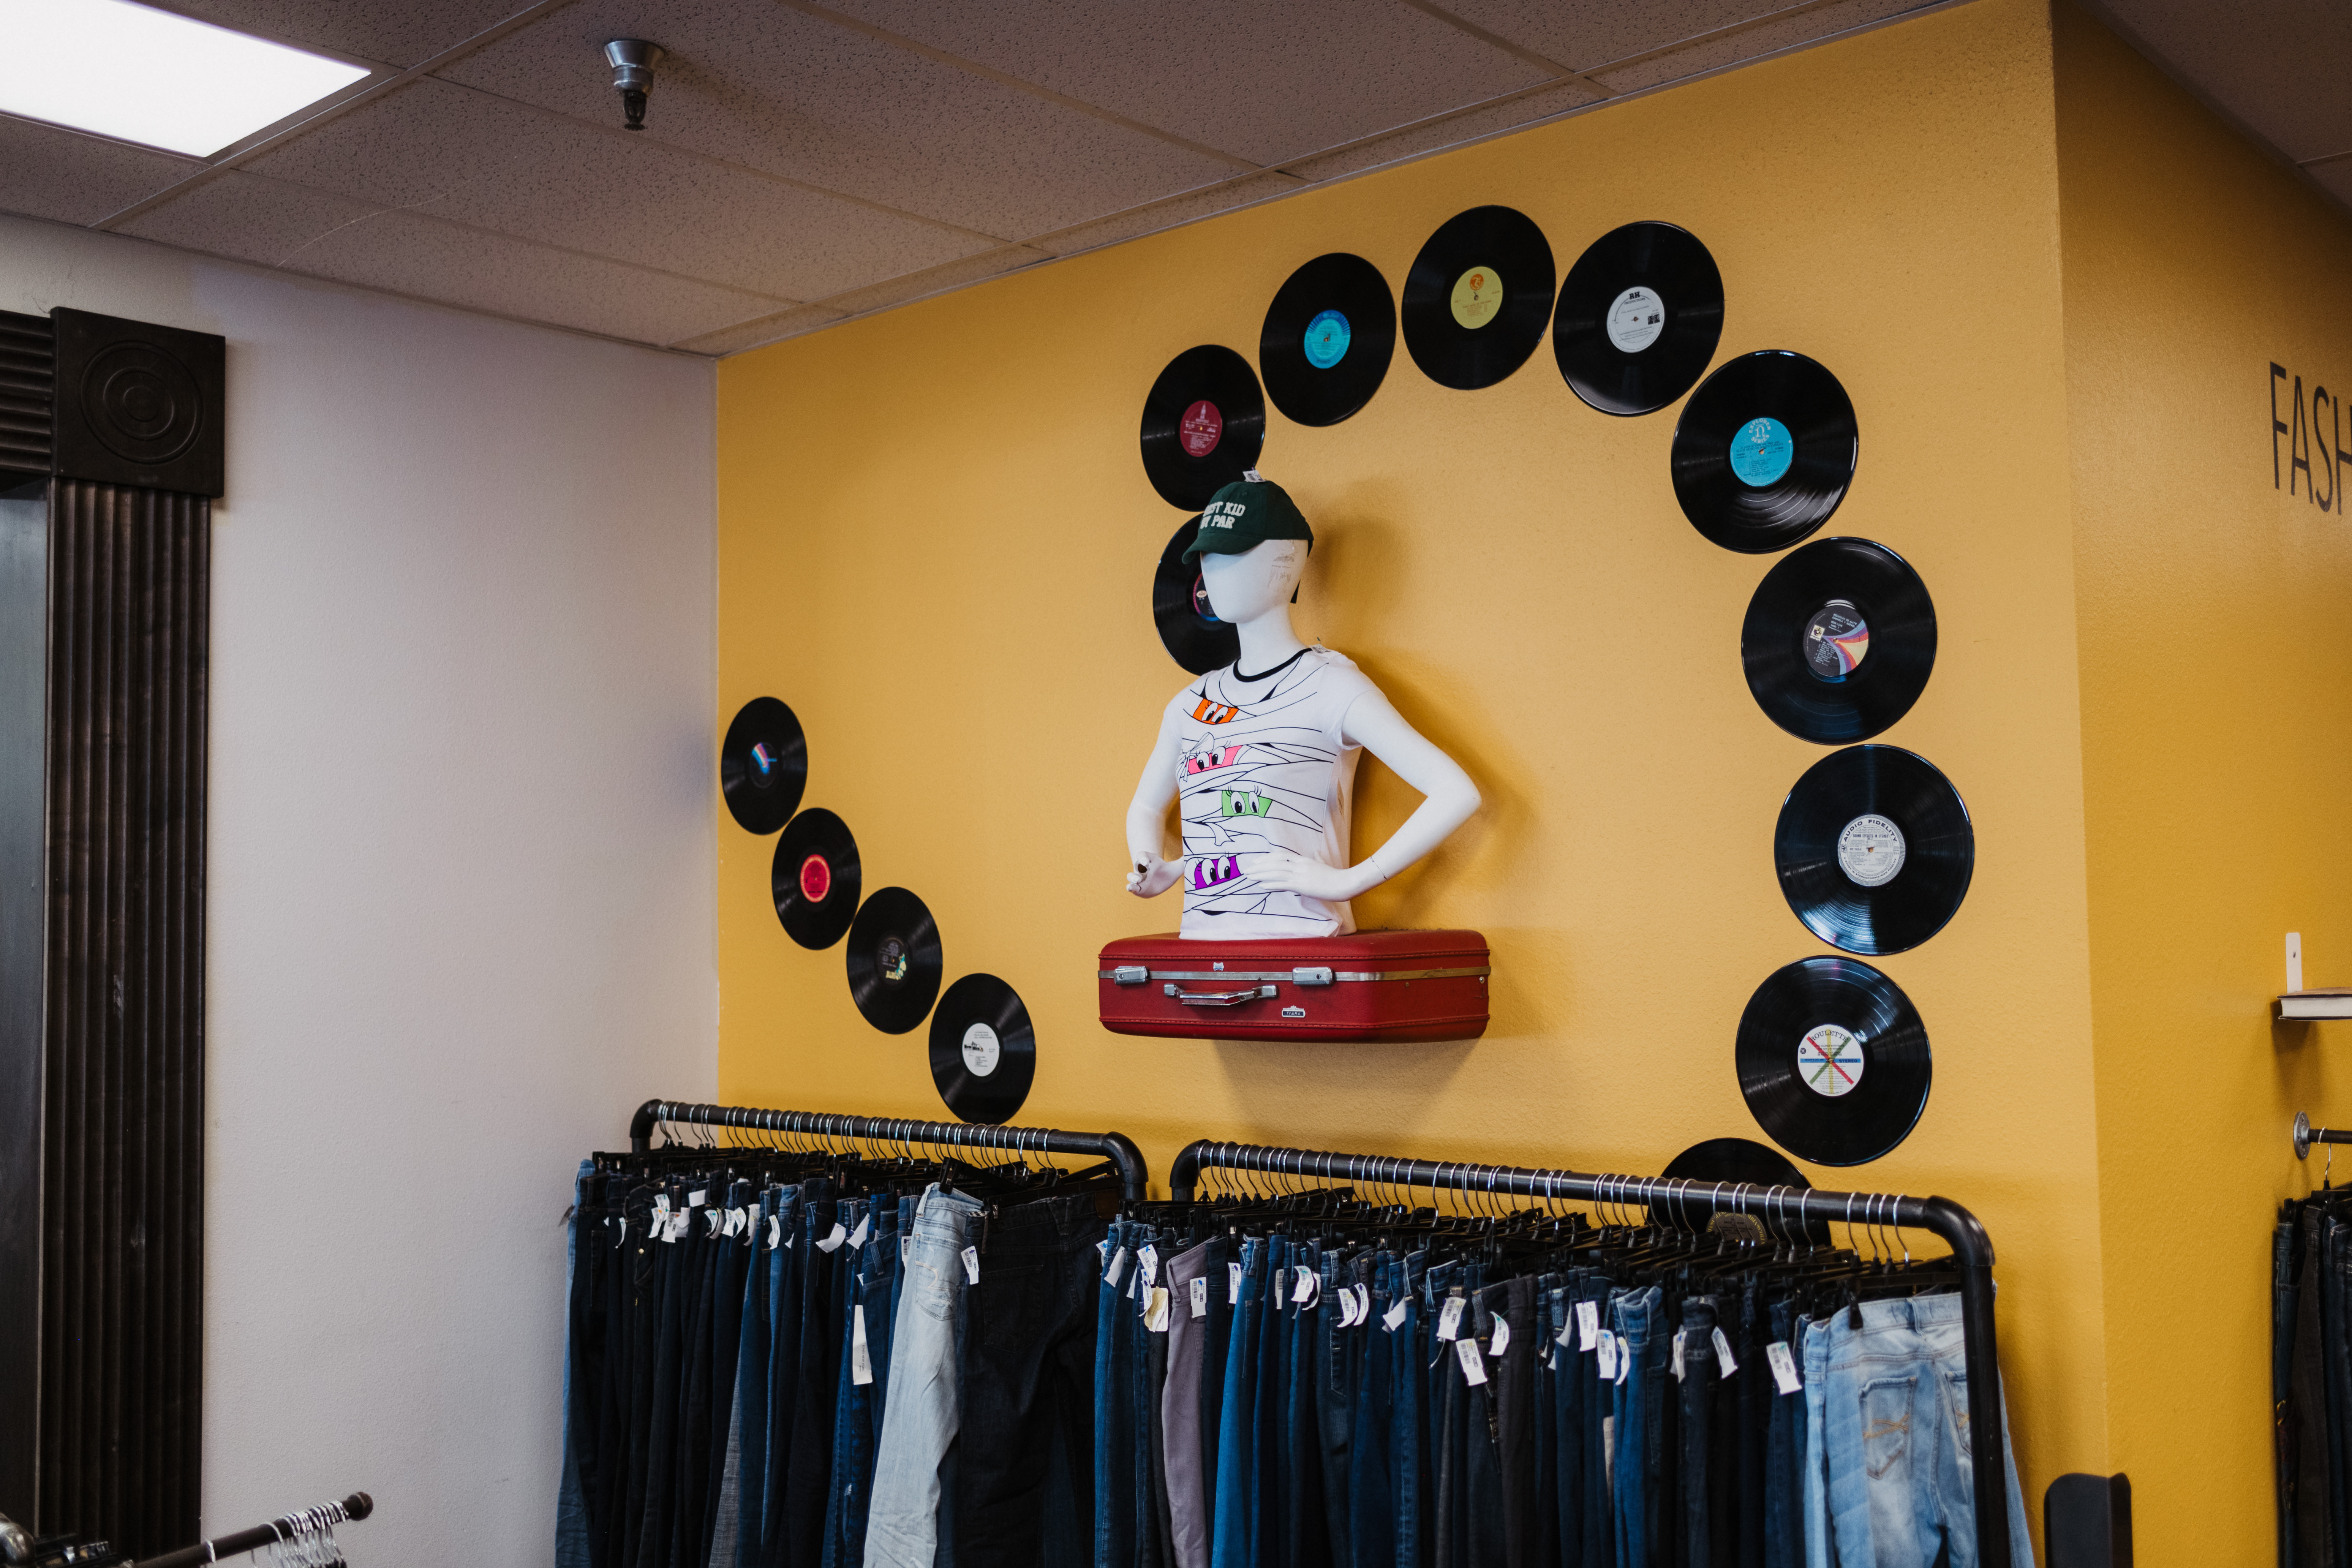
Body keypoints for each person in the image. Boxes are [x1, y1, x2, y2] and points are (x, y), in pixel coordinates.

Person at [1122, 475, 1480, 939]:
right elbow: (1147, 807)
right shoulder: (1189, 705)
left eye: (1233, 553)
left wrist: (1350, 882)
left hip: (1306, 957)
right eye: (1207, 555)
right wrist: (1153, 862)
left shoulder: (1330, 687)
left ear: (1285, 560)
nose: (1213, 570)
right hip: (1202, 962)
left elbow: (1457, 792)